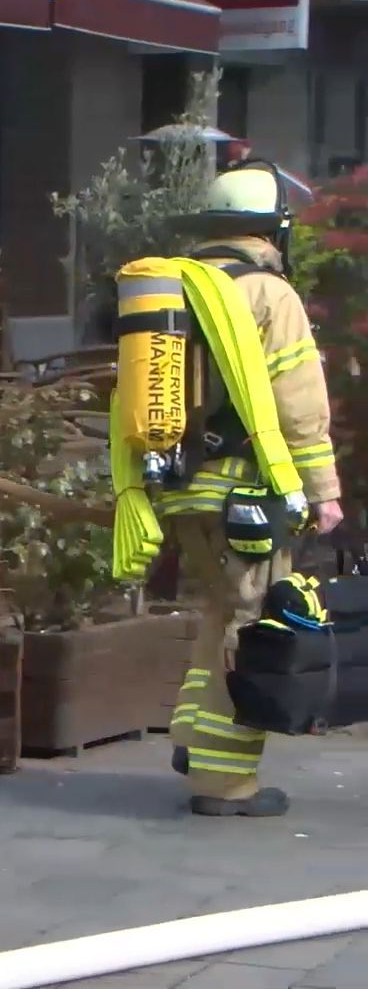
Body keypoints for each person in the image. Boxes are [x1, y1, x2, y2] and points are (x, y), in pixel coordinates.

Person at [155, 160, 342, 818]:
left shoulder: (173, 285)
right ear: (272, 230)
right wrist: (322, 490)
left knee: (218, 614)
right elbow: (298, 404)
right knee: (249, 627)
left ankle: (191, 740)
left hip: (182, 489)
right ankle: (224, 781)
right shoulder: (267, 294)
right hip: (247, 497)